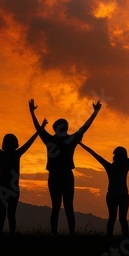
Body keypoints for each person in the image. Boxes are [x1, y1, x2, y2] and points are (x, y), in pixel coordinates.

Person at [29, 98, 102, 236]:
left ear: (55, 128)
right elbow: (85, 127)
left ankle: (55, 235)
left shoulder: (51, 140)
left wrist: (32, 113)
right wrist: (95, 112)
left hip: (55, 176)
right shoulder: (70, 139)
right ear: (66, 127)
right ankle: (71, 235)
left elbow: (38, 129)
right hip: (67, 176)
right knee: (68, 206)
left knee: (56, 207)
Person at [79, 120, 129, 238]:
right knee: (121, 219)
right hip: (119, 195)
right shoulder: (125, 164)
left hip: (113, 195)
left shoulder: (111, 166)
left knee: (114, 219)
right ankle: (121, 238)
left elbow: (94, 154)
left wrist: (81, 144)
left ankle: (110, 239)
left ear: (115, 156)